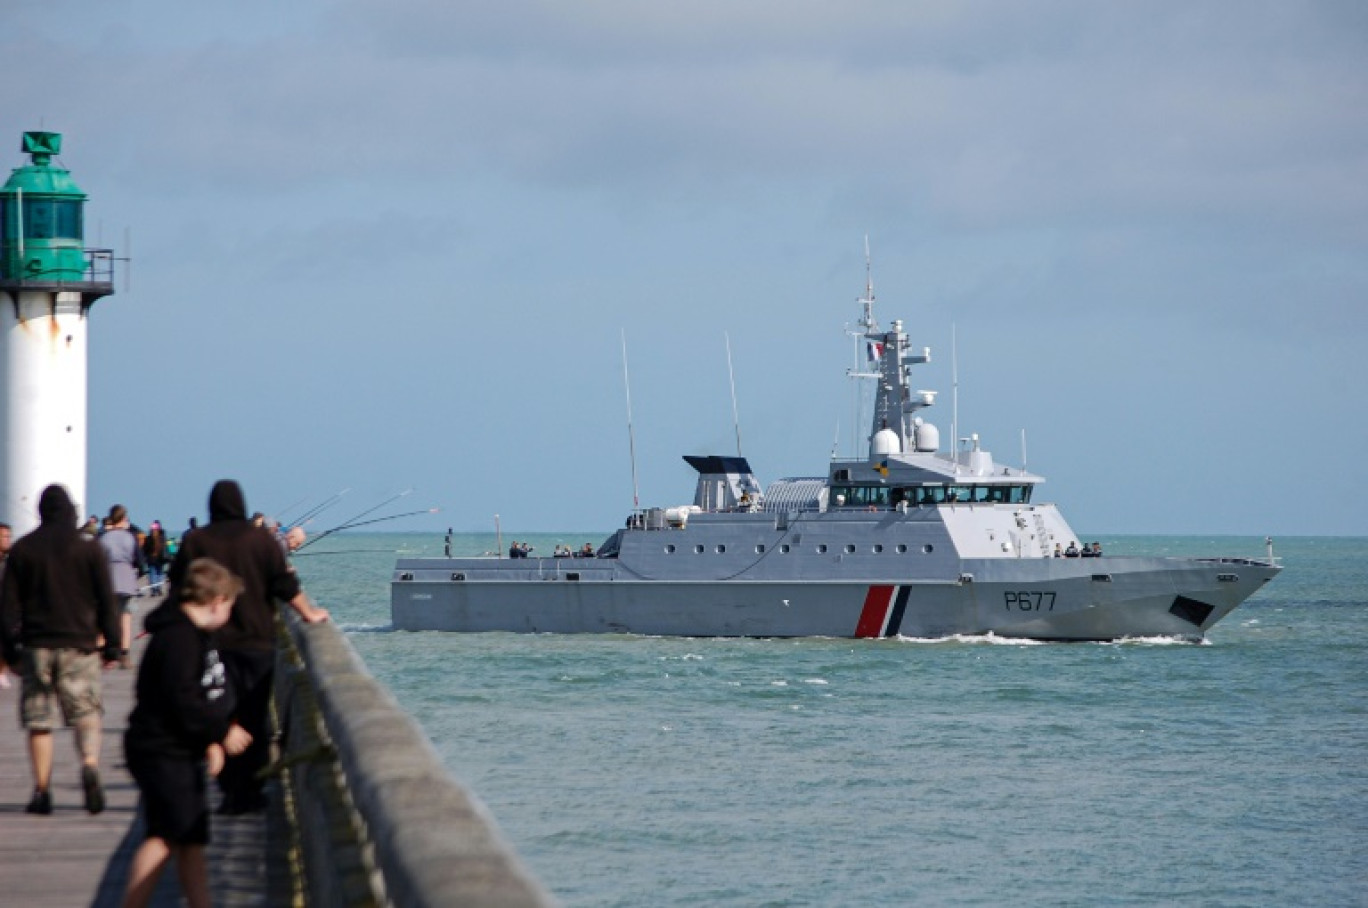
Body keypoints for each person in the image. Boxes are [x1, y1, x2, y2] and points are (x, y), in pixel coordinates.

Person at [162, 480, 328, 814]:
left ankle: (227, 789)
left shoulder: (197, 540)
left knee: (220, 716)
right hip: (256, 643)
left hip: (209, 643)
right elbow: (284, 583)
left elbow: (178, 586)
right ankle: (251, 789)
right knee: (254, 717)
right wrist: (308, 613)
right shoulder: (261, 540)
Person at [122, 558, 252, 908]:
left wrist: (209, 739)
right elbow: (181, 697)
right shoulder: (178, 639)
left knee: (192, 836)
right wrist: (220, 731)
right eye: (231, 605)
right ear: (216, 601)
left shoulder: (197, 636)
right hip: (160, 749)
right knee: (165, 835)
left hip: (181, 746)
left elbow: (202, 695)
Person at [0, 485, 121, 815]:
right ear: (70, 511)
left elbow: (7, 610)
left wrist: (10, 652)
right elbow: (107, 602)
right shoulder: (89, 550)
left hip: (37, 645)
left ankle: (42, 790)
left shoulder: (23, 550)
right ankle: (91, 763)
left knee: (39, 720)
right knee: (86, 712)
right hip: (79, 645)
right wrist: (112, 647)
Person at [99, 504, 144, 669]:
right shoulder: (130, 537)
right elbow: (140, 562)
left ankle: (102, 652)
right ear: (124, 518)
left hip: (108, 579)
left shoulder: (104, 538)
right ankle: (124, 655)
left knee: (105, 617)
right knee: (125, 618)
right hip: (126, 579)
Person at [143, 520, 169, 595]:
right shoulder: (161, 538)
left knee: (152, 574)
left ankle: (153, 590)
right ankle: (159, 588)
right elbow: (165, 548)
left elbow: (145, 549)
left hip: (151, 559)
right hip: (160, 558)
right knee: (160, 573)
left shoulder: (148, 538)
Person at [0, 521, 11, 688]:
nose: (8, 540)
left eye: (9, 536)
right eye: (4, 536)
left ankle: (1, 671)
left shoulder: (10, 561)